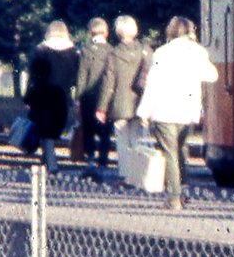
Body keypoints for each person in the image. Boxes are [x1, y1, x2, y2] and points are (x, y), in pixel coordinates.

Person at [135, 16, 217, 209]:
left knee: (170, 153)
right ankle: (183, 191)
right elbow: (212, 76)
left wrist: (144, 112)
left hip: (164, 109)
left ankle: (173, 197)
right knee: (180, 150)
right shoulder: (198, 52)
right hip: (187, 109)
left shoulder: (162, 53)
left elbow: (152, 84)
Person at [24, 20, 81, 175]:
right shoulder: (73, 52)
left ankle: (51, 164)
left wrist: (28, 99)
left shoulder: (41, 50)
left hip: (42, 96)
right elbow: (77, 78)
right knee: (50, 131)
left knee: (45, 131)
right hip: (62, 97)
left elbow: (33, 77)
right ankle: (48, 162)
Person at [99, 14, 151, 175]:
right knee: (136, 139)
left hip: (119, 103)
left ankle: (124, 173)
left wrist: (102, 107)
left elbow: (108, 83)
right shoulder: (146, 51)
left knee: (122, 141)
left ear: (118, 32)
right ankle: (137, 174)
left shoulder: (113, 54)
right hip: (140, 102)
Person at [73, 16, 115, 173]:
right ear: (106, 32)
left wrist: (77, 98)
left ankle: (90, 156)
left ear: (91, 32)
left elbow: (82, 76)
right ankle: (103, 159)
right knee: (105, 131)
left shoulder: (85, 50)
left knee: (88, 128)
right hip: (106, 96)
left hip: (88, 96)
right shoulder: (112, 51)